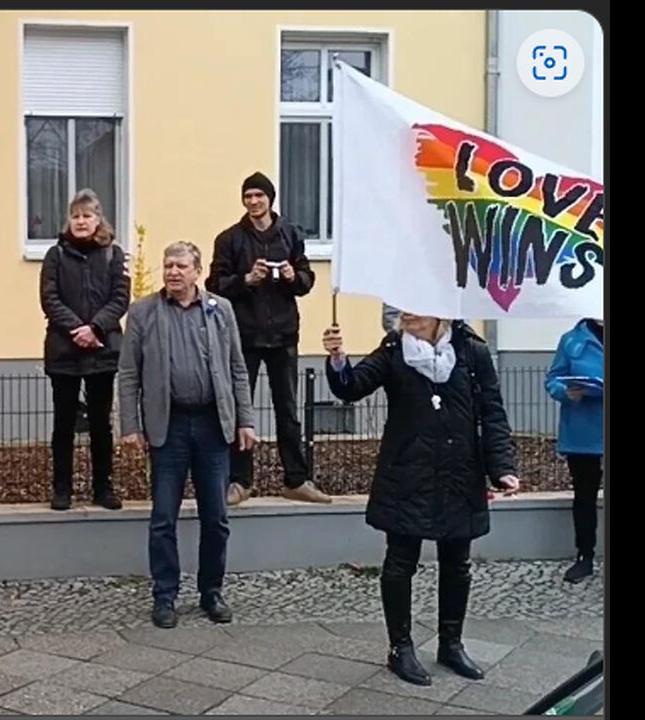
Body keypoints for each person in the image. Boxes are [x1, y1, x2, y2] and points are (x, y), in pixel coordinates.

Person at [322, 314, 520, 686]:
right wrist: (337, 359)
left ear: (439, 313)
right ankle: (401, 648)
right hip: (407, 473)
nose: (404, 317)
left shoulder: (471, 351)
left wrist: (501, 467)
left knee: (457, 564)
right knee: (400, 562)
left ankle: (451, 643)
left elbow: (492, 412)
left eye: (414, 308)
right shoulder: (394, 351)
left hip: (460, 472)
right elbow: (351, 387)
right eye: (400, 311)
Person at [119, 241, 258, 629]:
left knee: (216, 517)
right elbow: (129, 373)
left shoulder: (220, 310)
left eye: (181, 266)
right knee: (163, 516)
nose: (173, 272)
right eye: (168, 266)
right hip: (170, 426)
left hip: (213, 427)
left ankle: (211, 591)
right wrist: (130, 426)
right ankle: (165, 595)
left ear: (197, 271)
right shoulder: (143, 312)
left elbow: (237, 368)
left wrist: (244, 420)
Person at [207, 172, 330, 506]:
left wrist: (294, 276)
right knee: (239, 410)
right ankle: (240, 480)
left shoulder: (290, 234)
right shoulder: (229, 239)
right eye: (248, 196)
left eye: (259, 196)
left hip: (284, 335)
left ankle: (296, 479)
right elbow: (215, 285)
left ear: (270, 199)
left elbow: (307, 279)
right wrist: (247, 278)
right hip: (244, 336)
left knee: (288, 409)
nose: (253, 202)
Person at [39, 189, 130, 511]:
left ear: (98, 219)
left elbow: (120, 298)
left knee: (101, 424)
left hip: (102, 352)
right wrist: (77, 329)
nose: (80, 221)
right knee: (63, 423)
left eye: (87, 215)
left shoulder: (113, 255)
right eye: (75, 216)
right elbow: (50, 299)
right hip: (63, 351)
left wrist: (95, 329)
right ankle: (62, 488)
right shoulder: (55, 255)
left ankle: (103, 487)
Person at [544, 317, 604, 584]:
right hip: (583, 431)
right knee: (584, 496)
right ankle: (585, 556)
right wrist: (565, 392)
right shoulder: (572, 339)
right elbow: (554, 379)